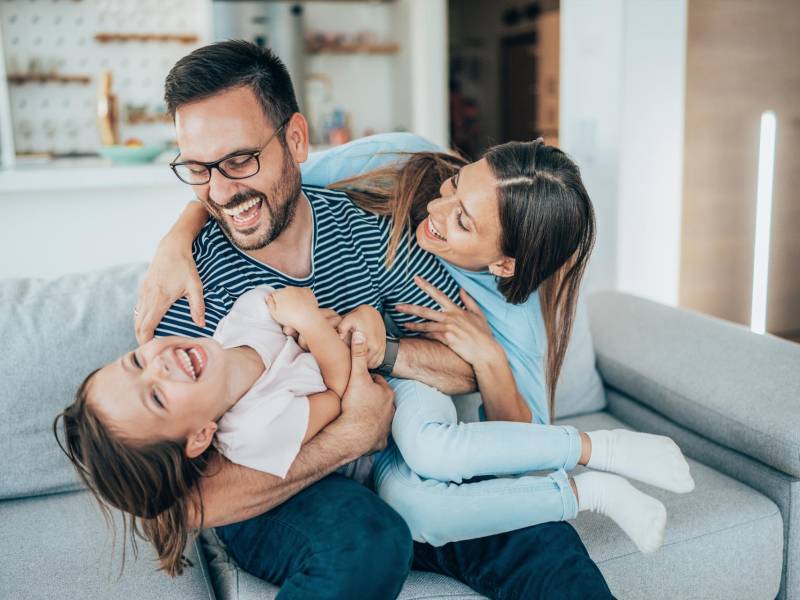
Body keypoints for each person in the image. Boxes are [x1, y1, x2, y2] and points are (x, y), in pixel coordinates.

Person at [132, 40, 615, 598]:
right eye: (197, 168)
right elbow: (180, 501)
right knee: (368, 540)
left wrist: (385, 348)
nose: (220, 191)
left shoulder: (366, 232)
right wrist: (349, 435)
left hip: (391, 470)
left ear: (294, 139)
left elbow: (462, 365)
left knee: (537, 537)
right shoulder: (186, 285)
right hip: (281, 498)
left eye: (240, 160)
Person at [54, 285, 374, 576]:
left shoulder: (243, 316)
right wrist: (311, 325)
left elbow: (299, 304)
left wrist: (315, 322)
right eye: (156, 397)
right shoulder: (254, 429)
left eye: (137, 363)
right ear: (200, 436)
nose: (158, 367)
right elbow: (339, 395)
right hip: (371, 464)